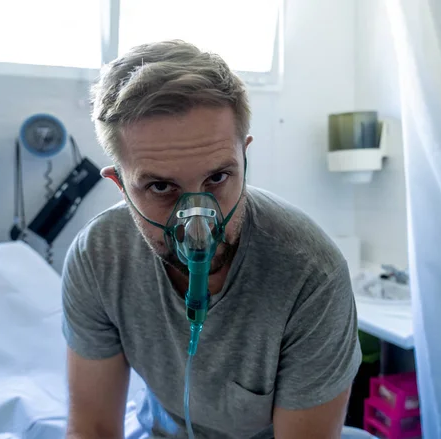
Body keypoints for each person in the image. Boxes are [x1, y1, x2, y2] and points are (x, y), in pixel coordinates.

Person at [62, 40, 362, 439]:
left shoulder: (310, 276)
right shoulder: (98, 259)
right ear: (120, 186)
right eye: (161, 186)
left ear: (244, 158)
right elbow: (94, 428)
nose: (197, 226)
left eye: (217, 178)